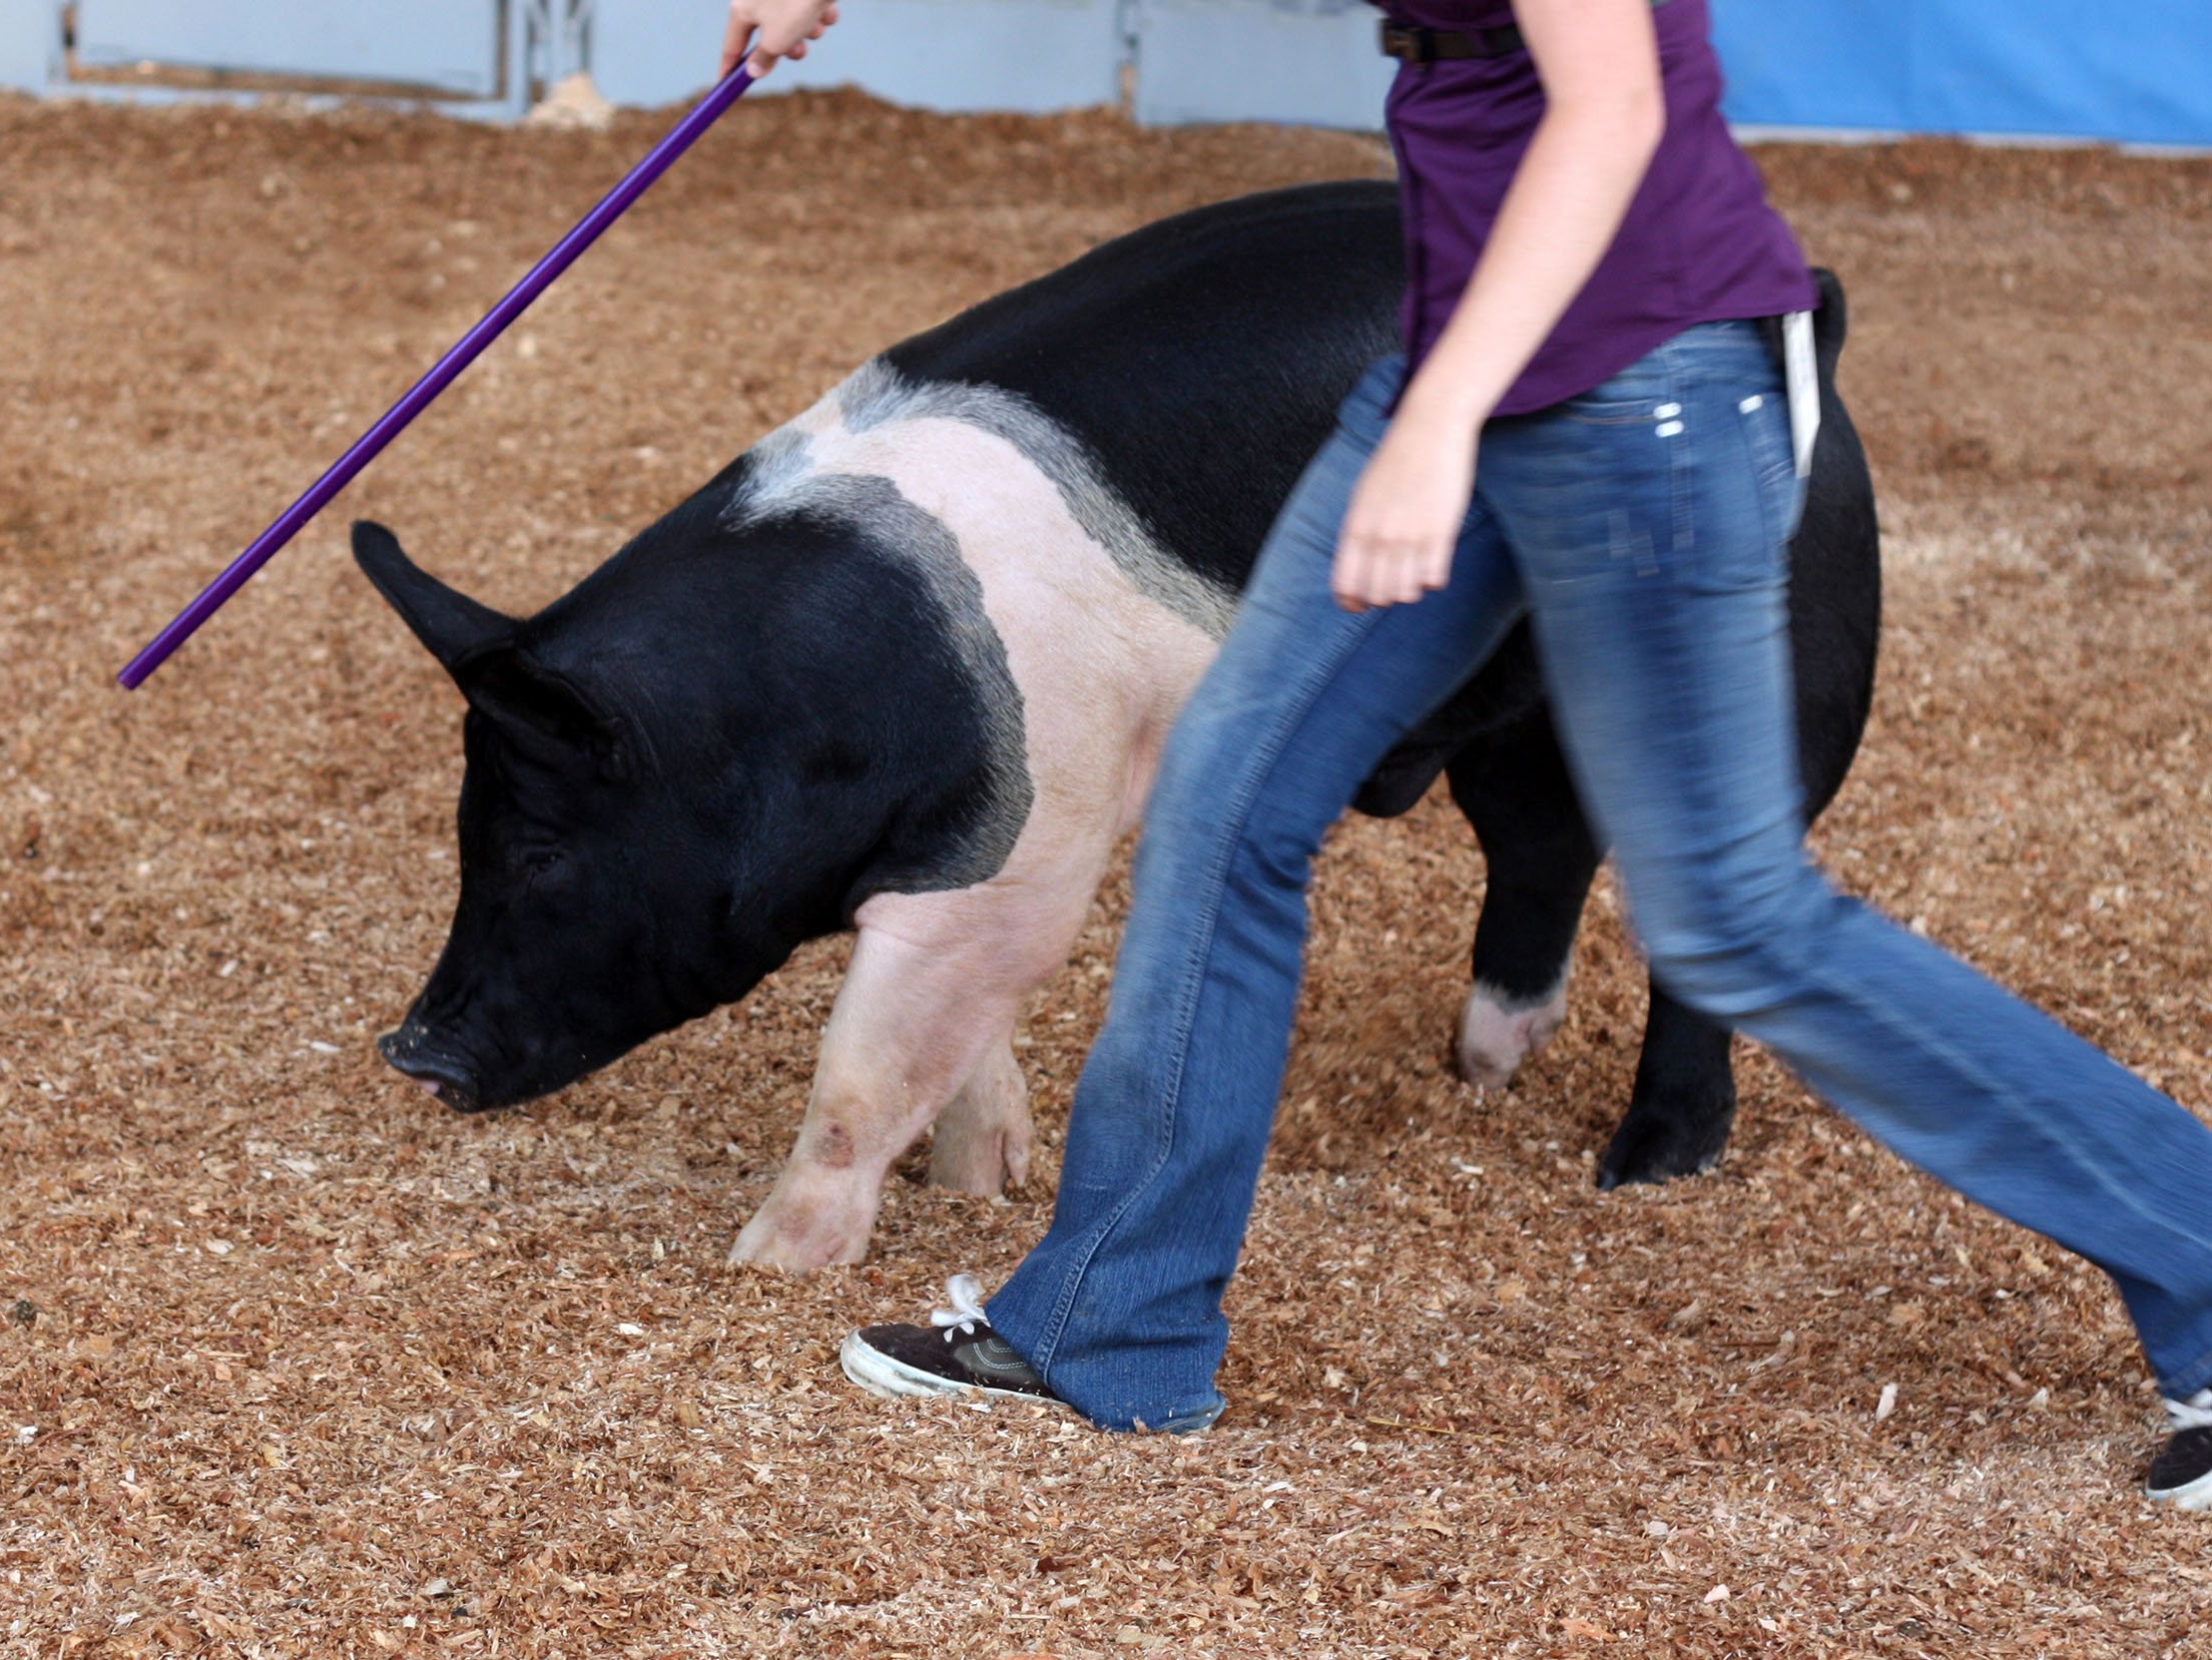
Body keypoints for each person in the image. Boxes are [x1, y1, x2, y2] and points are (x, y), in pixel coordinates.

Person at [719, 0, 2212, 1505]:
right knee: (1226, 808)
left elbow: (1610, 104)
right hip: (1482, 344)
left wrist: (1435, 420)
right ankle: (1110, 1324)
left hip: (1642, 377)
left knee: (1731, 918)